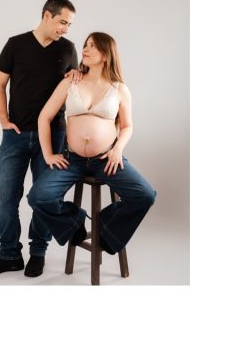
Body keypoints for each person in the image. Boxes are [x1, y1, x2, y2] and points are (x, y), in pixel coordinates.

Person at [27, 32, 156, 259]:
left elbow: (127, 126)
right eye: (85, 45)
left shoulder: (119, 89)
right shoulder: (71, 81)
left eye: (92, 46)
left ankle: (105, 229)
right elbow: (44, 117)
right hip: (72, 159)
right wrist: (48, 154)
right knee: (38, 196)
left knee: (145, 195)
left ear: (105, 54)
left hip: (106, 159)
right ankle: (75, 221)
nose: (85, 49)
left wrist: (118, 150)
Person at [0, 0, 78, 278]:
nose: (65, 29)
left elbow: (74, 89)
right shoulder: (16, 44)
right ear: (47, 15)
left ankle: (38, 253)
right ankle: (9, 254)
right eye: (62, 22)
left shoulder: (69, 49)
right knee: (4, 195)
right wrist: (3, 121)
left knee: (44, 196)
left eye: (69, 25)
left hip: (54, 135)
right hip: (16, 135)